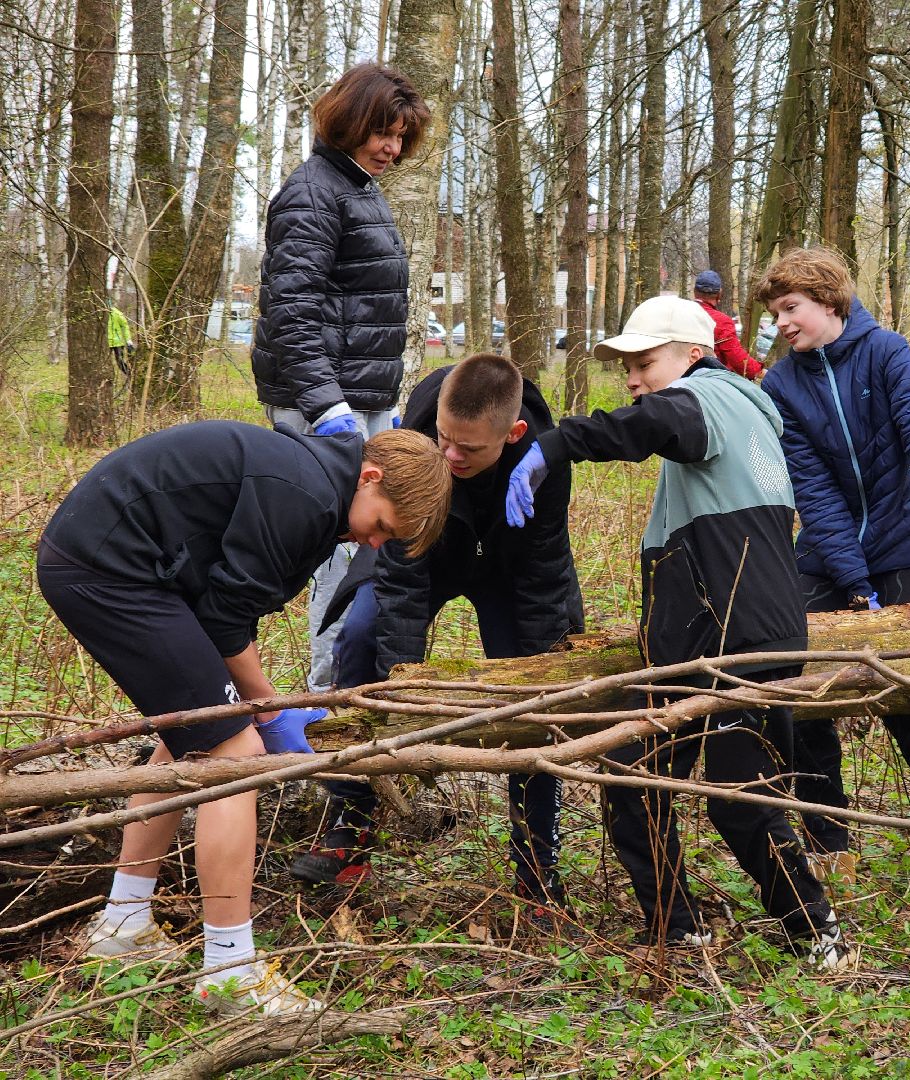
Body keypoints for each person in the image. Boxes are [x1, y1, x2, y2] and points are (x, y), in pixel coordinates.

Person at [37, 422, 449, 1017]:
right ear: (372, 478)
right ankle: (230, 973)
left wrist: (251, 708)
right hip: (110, 570)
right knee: (235, 759)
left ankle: (122, 925)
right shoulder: (304, 493)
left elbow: (225, 603)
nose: (377, 545)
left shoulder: (321, 489)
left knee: (198, 741)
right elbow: (227, 621)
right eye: (383, 527)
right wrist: (271, 710)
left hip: (117, 564)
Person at [505, 295, 853, 969]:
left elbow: (653, 421)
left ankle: (817, 931)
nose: (633, 378)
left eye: (644, 362)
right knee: (635, 778)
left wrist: (556, 443)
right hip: (697, 647)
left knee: (738, 798)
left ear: (693, 355)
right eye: (627, 366)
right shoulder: (724, 413)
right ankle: (676, 924)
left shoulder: (709, 399)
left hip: (742, 642)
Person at [753, 246, 910, 905]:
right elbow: (815, 491)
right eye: (775, 312)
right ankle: (829, 842)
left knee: (902, 700)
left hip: (904, 545)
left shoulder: (887, 354)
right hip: (832, 554)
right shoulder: (782, 386)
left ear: (828, 303)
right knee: (801, 682)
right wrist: (852, 580)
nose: (781, 322)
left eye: (790, 308)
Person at [295, 354, 584, 915]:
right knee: (359, 636)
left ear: (514, 434)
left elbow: (544, 572)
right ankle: (351, 823)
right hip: (427, 554)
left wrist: (541, 662)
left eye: (467, 450)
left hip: (509, 570)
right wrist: (405, 686)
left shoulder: (546, 459)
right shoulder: (421, 435)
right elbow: (401, 577)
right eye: (444, 440)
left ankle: (537, 864)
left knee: (533, 691)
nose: (449, 456)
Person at [251, 62, 432, 692]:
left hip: (363, 403)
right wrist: (328, 407)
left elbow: (364, 310)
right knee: (333, 561)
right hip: (325, 410)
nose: (393, 147)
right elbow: (292, 310)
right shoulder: (313, 192)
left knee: (370, 557)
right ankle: (328, 706)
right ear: (350, 120)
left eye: (402, 137)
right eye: (383, 131)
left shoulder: (358, 187)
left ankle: (357, 692)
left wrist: (385, 407)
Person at [694, 269, 764, 380]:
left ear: (695, 291)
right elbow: (737, 358)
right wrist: (759, 372)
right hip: (710, 381)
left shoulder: (680, 313)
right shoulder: (721, 321)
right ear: (719, 294)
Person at [108, 303, 134, 380]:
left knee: (120, 362)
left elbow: (125, 326)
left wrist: (128, 341)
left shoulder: (116, 313)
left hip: (117, 342)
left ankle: (130, 375)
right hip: (108, 343)